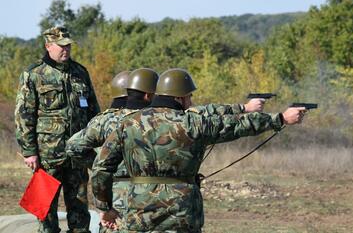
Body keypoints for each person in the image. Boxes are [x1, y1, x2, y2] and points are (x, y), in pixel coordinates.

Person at [91, 68, 306, 232]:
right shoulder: (194, 123)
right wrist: (280, 119)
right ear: (178, 97)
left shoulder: (128, 124)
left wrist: (104, 207)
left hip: (138, 208)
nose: (191, 101)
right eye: (189, 97)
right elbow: (237, 125)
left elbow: (102, 167)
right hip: (183, 210)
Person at [15, 26, 100, 233]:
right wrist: (29, 151)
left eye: (68, 45)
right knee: (45, 212)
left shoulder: (80, 72)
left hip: (78, 155)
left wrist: (95, 144)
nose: (66, 50)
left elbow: (93, 111)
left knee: (80, 210)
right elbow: (23, 115)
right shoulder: (34, 74)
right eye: (61, 46)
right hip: (47, 156)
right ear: (48, 46)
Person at [66, 68, 159, 232]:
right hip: (152, 193)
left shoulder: (106, 120)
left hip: (114, 195)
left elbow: (73, 146)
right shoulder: (156, 120)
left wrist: (98, 164)